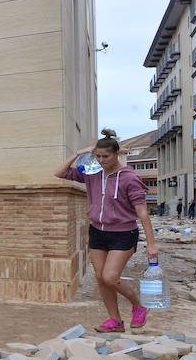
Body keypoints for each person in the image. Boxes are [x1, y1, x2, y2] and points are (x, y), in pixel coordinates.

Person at [58, 129, 159, 332]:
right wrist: (79, 153)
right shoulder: (92, 173)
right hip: (97, 232)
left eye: (106, 156)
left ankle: (138, 306)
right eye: (98, 156)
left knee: (110, 277)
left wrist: (151, 244)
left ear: (117, 154)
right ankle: (115, 321)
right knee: (100, 278)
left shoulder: (129, 178)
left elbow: (142, 213)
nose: (102, 160)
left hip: (123, 234)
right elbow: (59, 173)